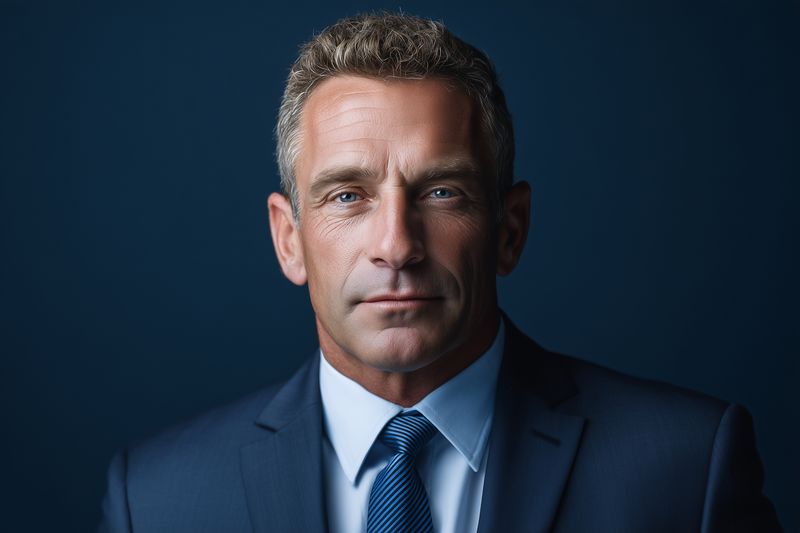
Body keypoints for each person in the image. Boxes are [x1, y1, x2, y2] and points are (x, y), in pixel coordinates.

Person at [98, 12, 782, 533]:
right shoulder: (155, 501)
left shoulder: (687, 470)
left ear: (509, 230)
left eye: (442, 191)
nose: (397, 246)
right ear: (289, 239)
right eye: (347, 196)